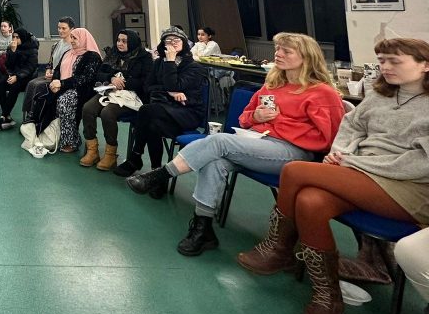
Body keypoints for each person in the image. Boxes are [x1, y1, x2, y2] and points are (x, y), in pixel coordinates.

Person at [237, 37, 429, 314]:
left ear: (425, 65)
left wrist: (356, 163)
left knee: (295, 171)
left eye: (395, 61)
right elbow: (351, 127)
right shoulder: (380, 95)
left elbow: (420, 164)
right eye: (381, 61)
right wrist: (342, 153)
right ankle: (327, 297)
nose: (385, 68)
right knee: (310, 201)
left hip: (408, 188)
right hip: (360, 174)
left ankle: (278, 248)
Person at [127, 32, 344, 256]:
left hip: (293, 152)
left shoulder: (321, 93)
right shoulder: (273, 85)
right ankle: (203, 228)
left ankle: (161, 175)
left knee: (219, 142)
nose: (277, 54)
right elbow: (244, 117)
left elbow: (329, 138)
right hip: (259, 143)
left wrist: (278, 122)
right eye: (277, 49)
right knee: (216, 161)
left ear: (306, 58)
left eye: (286, 51)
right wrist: (256, 118)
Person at [112, 26, 206, 178]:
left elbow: (174, 85)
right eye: (168, 40)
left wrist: (170, 63)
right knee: (152, 125)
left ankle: (135, 157)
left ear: (184, 43)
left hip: (187, 112)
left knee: (146, 111)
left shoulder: (194, 67)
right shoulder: (158, 64)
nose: (172, 43)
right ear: (163, 45)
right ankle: (156, 173)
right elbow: (148, 86)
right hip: (162, 110)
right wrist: (170, 92)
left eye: (176, 40)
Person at [80, 29, 150, 170]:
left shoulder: (144, 57)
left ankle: (111, 154)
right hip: (109, 90)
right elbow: (99, 74)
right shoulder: (112, 54)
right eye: (118, 40)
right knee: (87, 108)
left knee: (107, 113)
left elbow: (146, 82)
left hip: (130, 95)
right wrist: (111, 78)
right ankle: (92, 150)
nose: (120, 44)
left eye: (124, 41)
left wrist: (123, 83)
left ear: (132, 42)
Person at [46, 27, 103, 153]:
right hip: (64, 86)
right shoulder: (68, 53)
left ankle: (72, 141)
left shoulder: (92, 56)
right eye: (71, 37)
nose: (71, 40)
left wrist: (61, 83)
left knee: (64, 101)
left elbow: (85, 79)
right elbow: (57, 70)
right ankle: (50, 135)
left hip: (82, 90)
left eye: (74, 38)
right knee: (44, 96)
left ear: (83, 39)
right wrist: (55, 82)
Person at [22, 16, 76, 123]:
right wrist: (48, 69)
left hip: (63, 78)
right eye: (59, 28)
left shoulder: (74, 47)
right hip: (52, 75)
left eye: (64, 28)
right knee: (31, 83)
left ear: (72, 29)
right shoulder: (55, 45)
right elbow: (50, 63)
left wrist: (56, 75)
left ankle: (36, 116)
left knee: (38, 86)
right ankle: (29, 113)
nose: (60, 31)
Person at [0, 28, 38, 131]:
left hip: (26, 77)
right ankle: (7, 116)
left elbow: (31, 67)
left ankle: (4, 116)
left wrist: (17, 76)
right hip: (13, 75)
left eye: (17, 37)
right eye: (13, 37)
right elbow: (8, 65)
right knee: (0, 84)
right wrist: (12, 52)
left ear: (23, 38)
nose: (15, 39)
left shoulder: (32, 49)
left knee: (14, 86)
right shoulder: (12, 47)